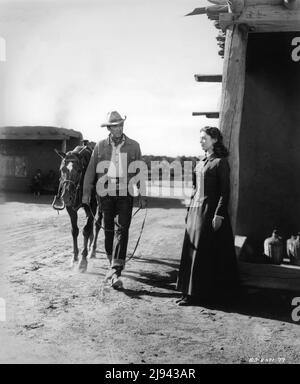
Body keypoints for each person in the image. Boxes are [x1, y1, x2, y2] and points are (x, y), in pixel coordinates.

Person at [82, 111, 147, 289]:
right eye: (115, 125)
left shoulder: (134, 146)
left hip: (125, 193)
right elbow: (90, 170)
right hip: (105, 193)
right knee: (108, 230)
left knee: (122, 230)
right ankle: (112, 265)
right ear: (109, 128)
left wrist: (142, 194)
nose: (119, 128)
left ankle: (116, 270)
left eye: (121, 125)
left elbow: (140, 171)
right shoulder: (100, 146)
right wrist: (86, 193)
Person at [176, 126, 239, 306]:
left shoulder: (220, 162)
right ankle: (187, 292)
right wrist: (189, 210)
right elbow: (195, 189)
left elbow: (225, 192)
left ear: (214, 140)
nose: (201, 141)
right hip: (195, 210)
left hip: (209, 212)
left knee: (203, 254)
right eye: (200, 138)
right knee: (190, 250)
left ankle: (199, 295)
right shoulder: (199, 162)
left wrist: (219, 214)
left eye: (204, 138)